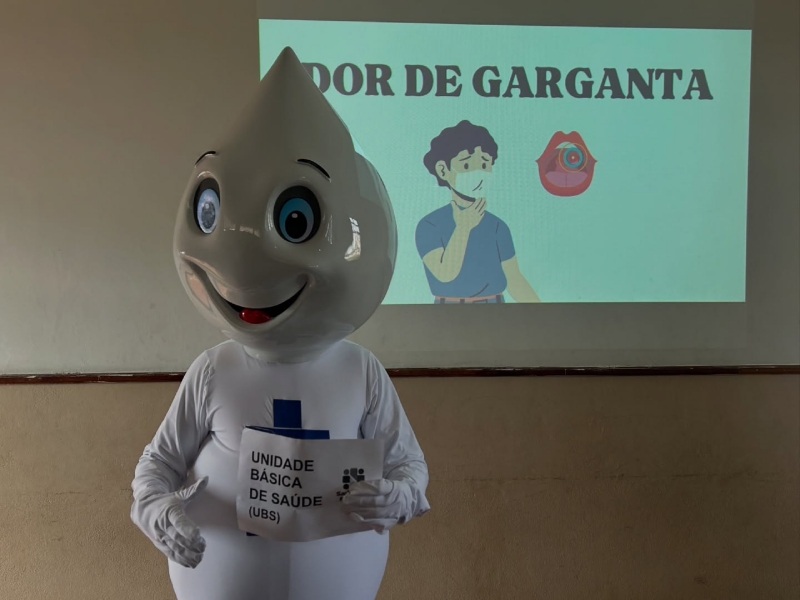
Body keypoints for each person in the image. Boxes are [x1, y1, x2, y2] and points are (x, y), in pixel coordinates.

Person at [129, 47, 430, 600]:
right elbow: (159, 463)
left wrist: (399, 496)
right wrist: (156, 511)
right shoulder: (212, 371)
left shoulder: (361, 372)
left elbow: (409, 466)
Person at [416, 120, 540, 303]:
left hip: (495, 309)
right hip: (447, 312)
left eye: (484, 165)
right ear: (443, 170)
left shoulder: (497, 226)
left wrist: (542, 313)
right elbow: (445, 274)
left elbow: (514, 279)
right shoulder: (430, 224)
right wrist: (463, 228)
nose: (478, 175)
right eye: (466, 165)